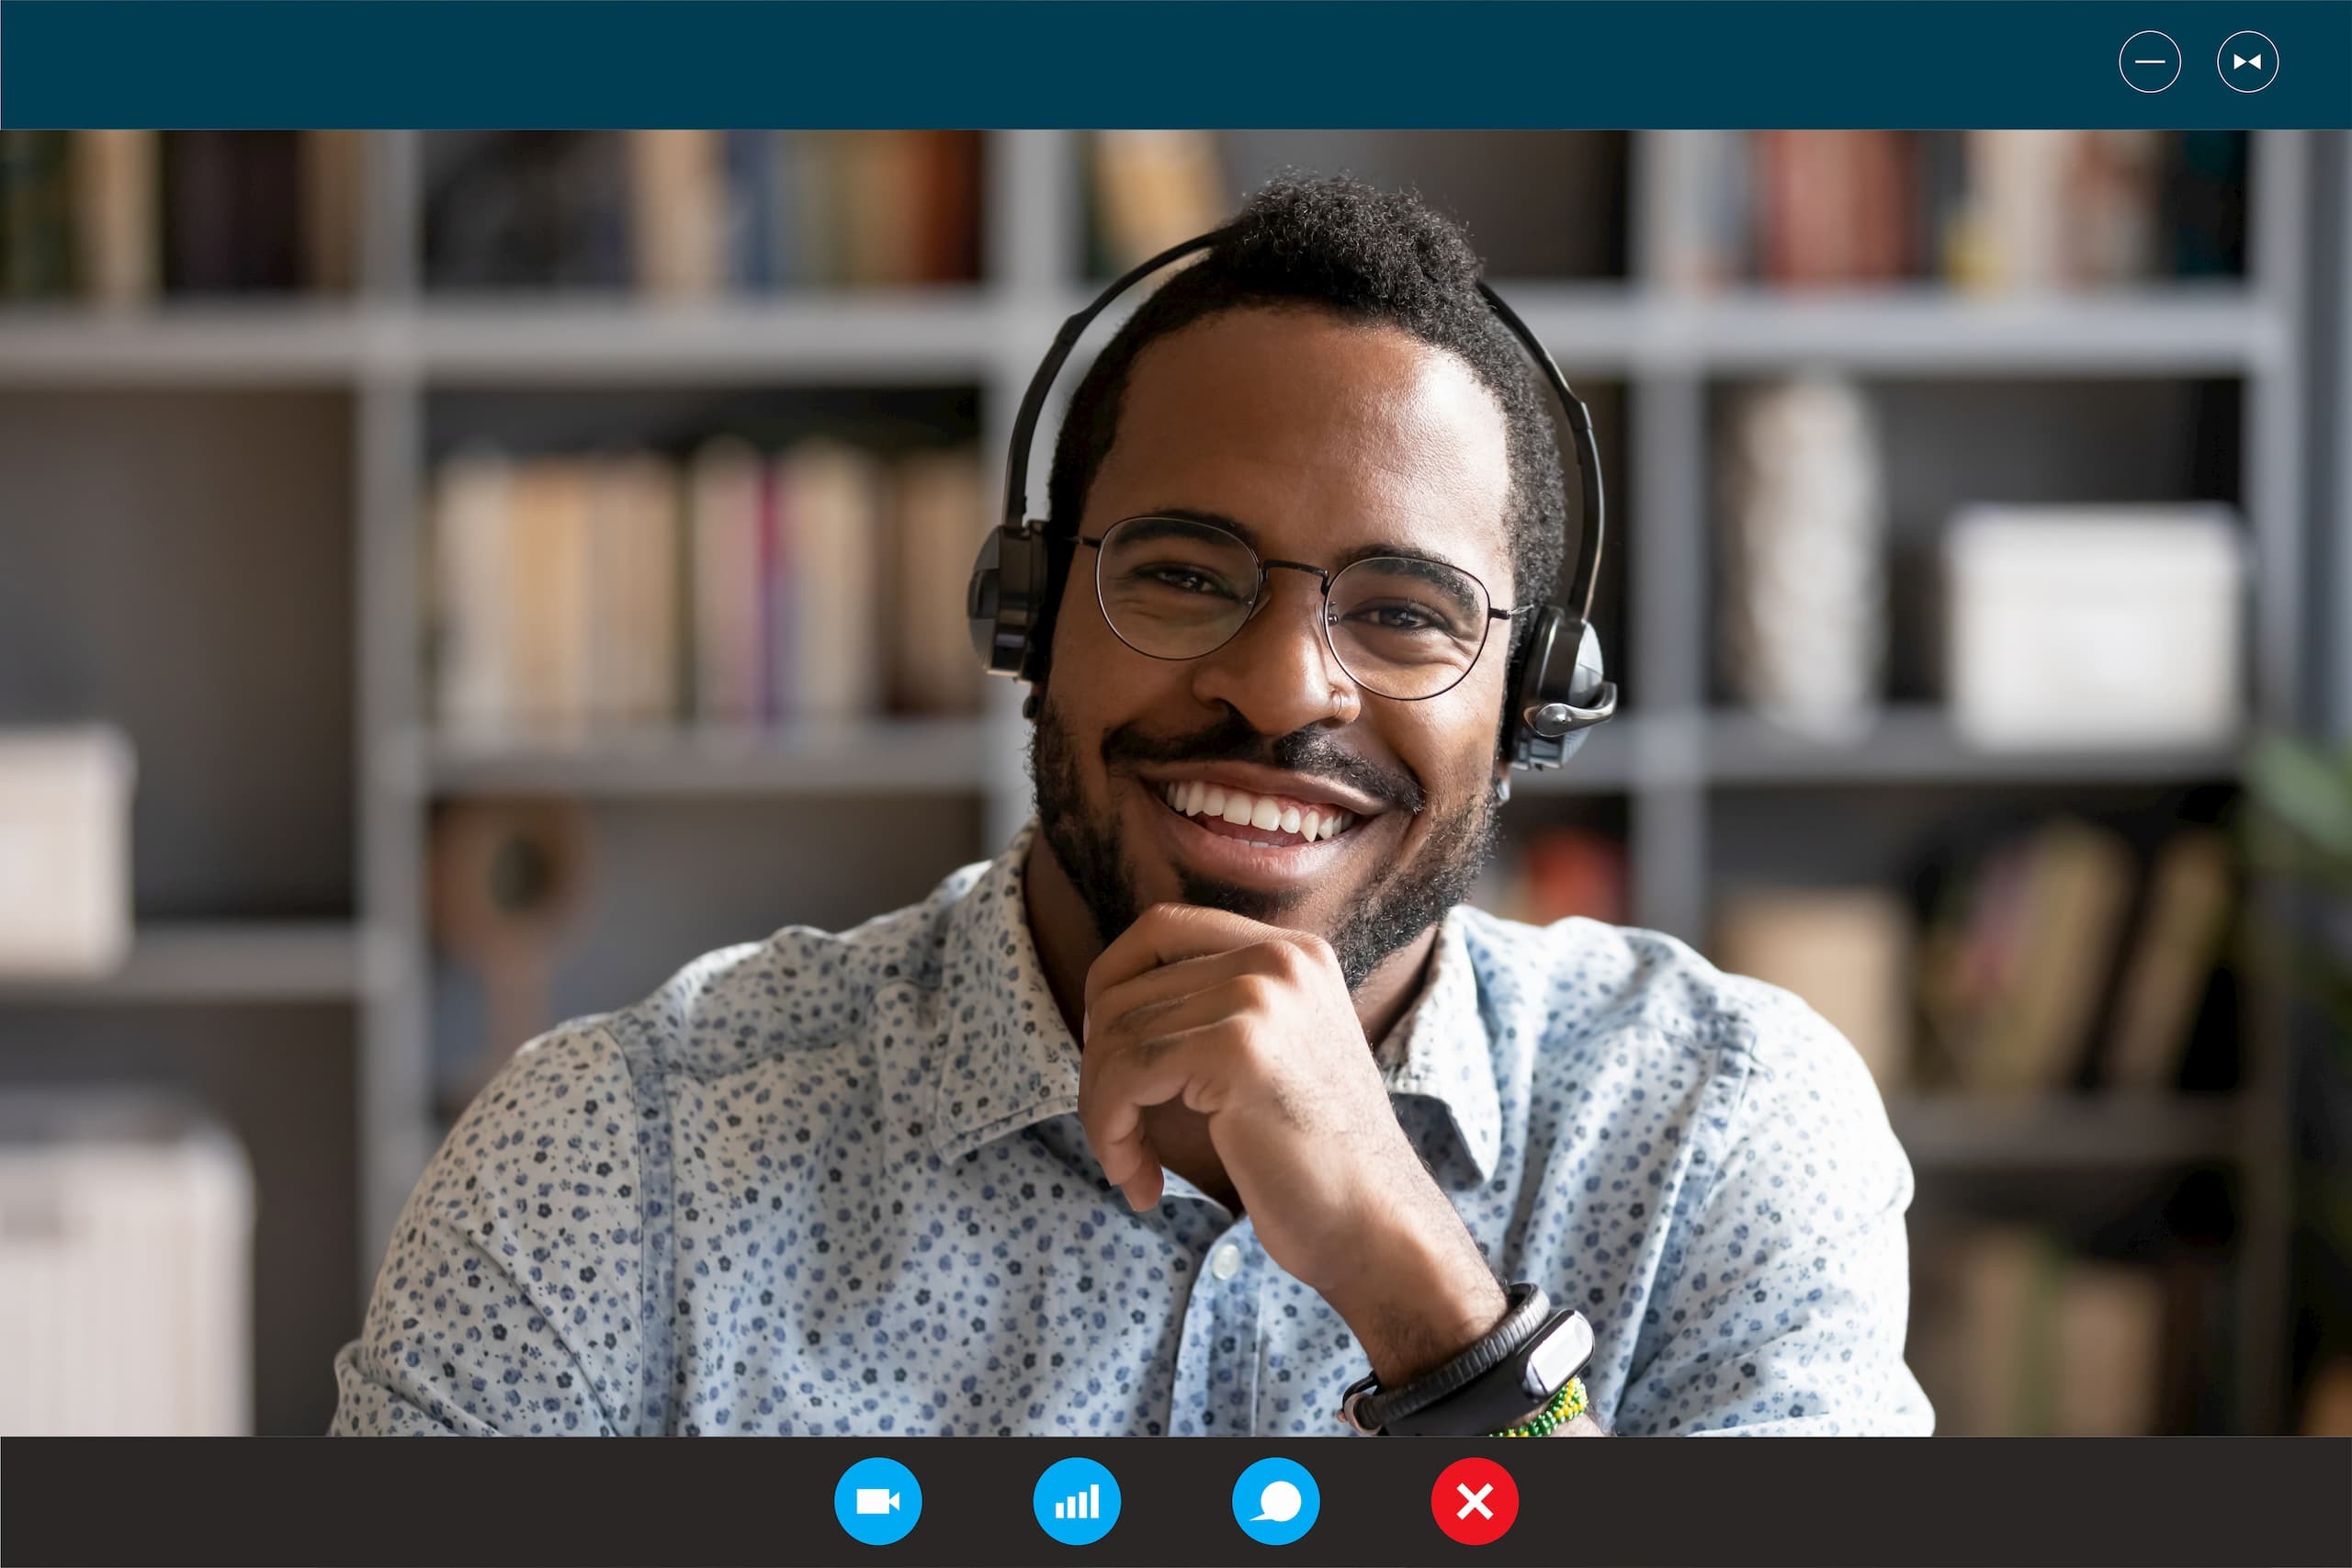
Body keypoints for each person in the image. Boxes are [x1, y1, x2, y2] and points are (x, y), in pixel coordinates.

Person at [330, 175, 1930, 1438]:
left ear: (1528, 706)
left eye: (1405, 611)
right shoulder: (623, 1158)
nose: (1286, 689)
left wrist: (1417, 1288)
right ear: (1027, 621)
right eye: (1182, 574)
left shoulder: (1722, 1130)